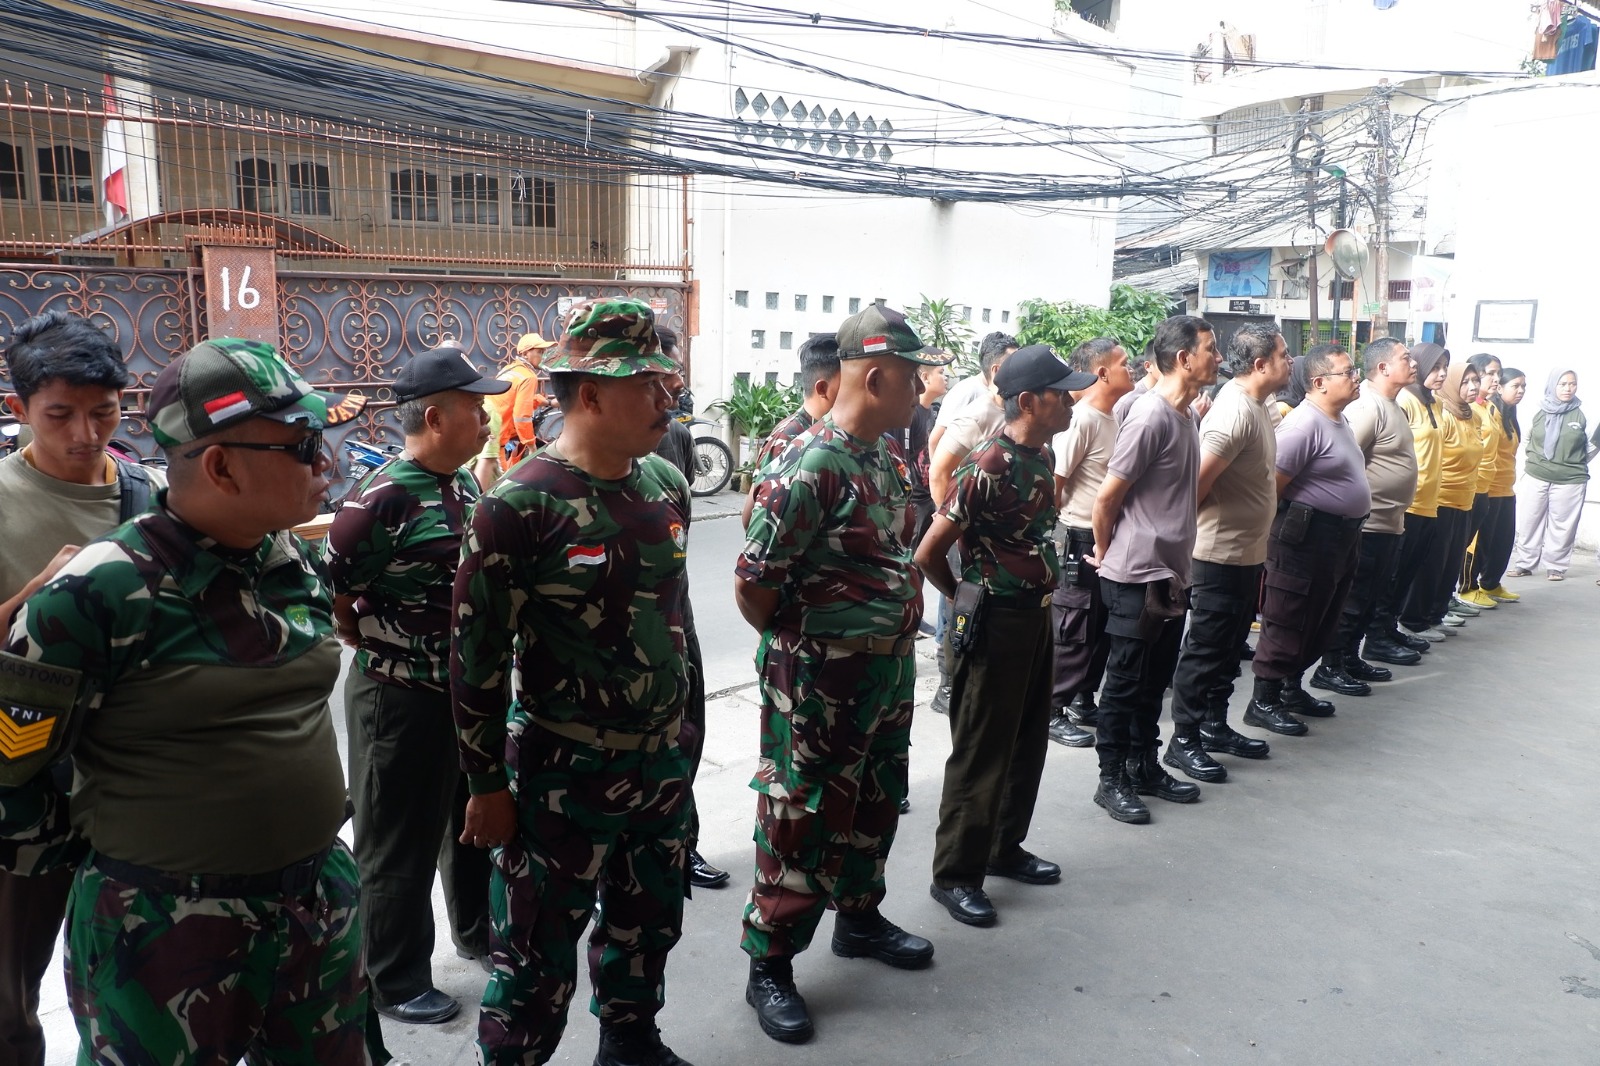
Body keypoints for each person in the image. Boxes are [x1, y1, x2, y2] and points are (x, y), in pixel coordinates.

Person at [1, 337, 380, 1065]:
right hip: (162, 931)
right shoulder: (98, 590)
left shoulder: (285, 557)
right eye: (303, 446)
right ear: (220, 466)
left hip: (315, 906)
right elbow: (15, 773)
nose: (326, 464)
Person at [451, 299, 697, 1066]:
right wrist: (485, 785)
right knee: (534, 954)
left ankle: (629, 1042)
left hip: (658, 764)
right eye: (647, 385)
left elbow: (677, 620)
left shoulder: (664, 482)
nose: (667, 397)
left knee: (648, 924)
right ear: (589, 394)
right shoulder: (517, 505)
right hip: (560, 770)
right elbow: (474, 659)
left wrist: (686, 738)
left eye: (664, 380)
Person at [735, 302, 946, 1044]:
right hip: (819, 678)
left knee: (876, 797)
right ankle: (770, 962)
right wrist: (809, 648)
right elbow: (755, 585)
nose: (921, 390)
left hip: (884, 672)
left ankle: (858, 918)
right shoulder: (811, 463)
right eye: (913, 377)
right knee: (800, 814)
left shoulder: (884, 455)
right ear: (877, 376)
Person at [0, 311, 166, 1066]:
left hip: (136, 780)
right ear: (19, 408)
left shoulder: (152, 493)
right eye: (60, 415)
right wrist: (35, 598)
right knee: (10, 995)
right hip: (27, 785)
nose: (85, 434)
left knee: (138, 983)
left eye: (104, 412)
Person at [324, 344, 505, 1024]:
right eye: (475, 409)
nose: (487, 420)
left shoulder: (463, 486)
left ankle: (478, 933)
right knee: (394, 844)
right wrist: (381, 639)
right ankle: (393, 978)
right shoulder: (380, 501)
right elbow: (334, 594)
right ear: (434, 417)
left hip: (463, 696)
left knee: (469, 824)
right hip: (398, 699)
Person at [915, 345, 1092, 926]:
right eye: (1061, 394)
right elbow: (929, 552)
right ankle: (955, 875)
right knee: (981, 749)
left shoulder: (1041, 455)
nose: (1071, 401)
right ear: (1028, 401)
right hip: (996, 621)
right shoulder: (989, 463)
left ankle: (1003, 847)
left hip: (1035, 616)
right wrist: (967, 598)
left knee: (1027, 739)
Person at [1084, 316, 1219, 824]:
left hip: (1170, 573)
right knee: (1124, 682)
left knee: (1154, 680)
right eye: (1210, 349)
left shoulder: (1185, 416)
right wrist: (1106, 554)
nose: (1217, 358)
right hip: (1135, 575)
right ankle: (1111, 779)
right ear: (1184, 358)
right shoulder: (1150, 416)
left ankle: (1143, 765)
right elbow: (1107, 499)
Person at [1165, 324, 1289, 782]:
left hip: (1247, 553)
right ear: (1260, 365)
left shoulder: (1257, 406)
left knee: (1229, 648)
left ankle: (1214, 725)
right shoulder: (1233, 411)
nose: (1289, 363)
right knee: (1205, 650)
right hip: (1218, 556)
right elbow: (1196, 486)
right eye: (1283, 355)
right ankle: (1184, 740)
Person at [1246, 344, 1371, 733]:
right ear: (1319, 383)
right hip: (1305, 536)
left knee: (1320, 616)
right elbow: (1273, 487)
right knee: (1289, 616)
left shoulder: (1338, 420)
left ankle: (1290, 688)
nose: (1356, 378)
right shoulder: (1303, 425)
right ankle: (1263, 700)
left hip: (1339, 537)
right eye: (1347, 372)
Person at [651, 328, 729, 892]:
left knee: (688, 733)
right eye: (665, 372)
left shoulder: (675, 439)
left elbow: (680, 532)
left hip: (677, 615)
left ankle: (684, 844)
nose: (676, 386)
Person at [1047, 337, 1133, 748]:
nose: (1132, 369)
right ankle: (1051, 709)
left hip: (1105, 538)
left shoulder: (1113, 416)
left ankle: (1083, 700)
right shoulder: (1080, 420)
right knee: (1074, 629)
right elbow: (1055, 485)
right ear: (1102, 373)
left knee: (1099, 629)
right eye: (1124, 363)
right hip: (1079, 538)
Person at [1329, 338, 1422, 675]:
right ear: (1383, 368)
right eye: (1406, 358)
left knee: (1370, 598)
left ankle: (1351, 659)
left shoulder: (1392, 403)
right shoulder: (1367, 406)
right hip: (1367, 526)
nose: (1414, 363)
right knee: (1353, 600)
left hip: (1389, 523)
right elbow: (1342, 462)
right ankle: (1333, 665)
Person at [1383, 343, 1450, 644]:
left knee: (1410, 571)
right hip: (1408, 504)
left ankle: (1392, 629)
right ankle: (1381, 634)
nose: (1442, 373)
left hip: (1430, 502)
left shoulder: (1435, 403)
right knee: (1394, 575)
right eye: (1435, 367)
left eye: (1444, 367)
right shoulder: (1406, 400)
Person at [1417, 361, 1484, 628]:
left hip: (1466, 500)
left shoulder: (1474, 416)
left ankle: (1437, 613)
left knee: (1451, 564)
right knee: (1433, 564)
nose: (1473, 386)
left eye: (1475, 380)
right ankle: (1417, 619)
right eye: (1465, 382)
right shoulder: (1442, 414)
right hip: (1442, 499)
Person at [1510, 368, 1591, 581]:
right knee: (1529, 520)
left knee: (1563, 525)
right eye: (1562, 384)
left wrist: (1571, 462)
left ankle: (1556, 566)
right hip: (1536, 474)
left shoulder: (1582, 414)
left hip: (1570, 479)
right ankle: (1525, 563)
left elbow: (1591, 446)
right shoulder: (1538, 411)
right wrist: (1533, 461)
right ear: (1552, 385)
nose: (1568, 388)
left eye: (1572, 384)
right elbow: (1525, 439)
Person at [474, 331, 555, 486]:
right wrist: (531, 446)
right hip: (496, 431)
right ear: (525, 353)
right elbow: (522, 416)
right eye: (539, 352)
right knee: (500, 484)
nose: (543, 356)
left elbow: (513, 399)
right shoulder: (529, 377)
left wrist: (547, 402)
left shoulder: (511, 369)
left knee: (483, 473)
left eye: (544, 352)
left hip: (484, 423)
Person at [1472, 367, 1526, 600]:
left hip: (1506, 488)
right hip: (1489, 488)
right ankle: (1468, 587)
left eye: (1523, 386)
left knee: (1503, 541)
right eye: (1515, 386)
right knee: (1482, 543)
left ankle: (1491, 583)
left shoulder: (1510, 415)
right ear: (1500, 389)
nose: (1521, 391)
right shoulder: (1489, 411)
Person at [1457, 354, 1505, 610]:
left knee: (1479, 541)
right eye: (1490, 374)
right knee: (1467, 544)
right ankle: (1465, 588)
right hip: (1471, 485)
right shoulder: (1468, 409)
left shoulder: (1490, 407)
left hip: (1487, 485)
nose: (1496, 379)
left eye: (1498, 374)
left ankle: (1465, 589)